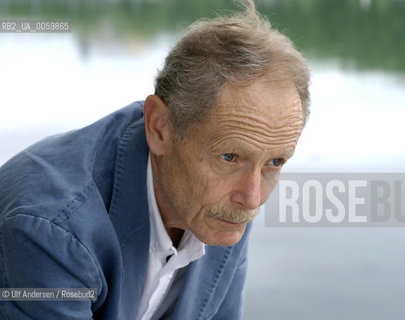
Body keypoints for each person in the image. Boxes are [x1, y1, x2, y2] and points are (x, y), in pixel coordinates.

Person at [0, 1, 310, 319]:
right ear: (160, 128)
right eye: (229, 157)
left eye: (275, 163)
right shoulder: (49, 229)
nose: (253, 199)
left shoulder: (227, 204)